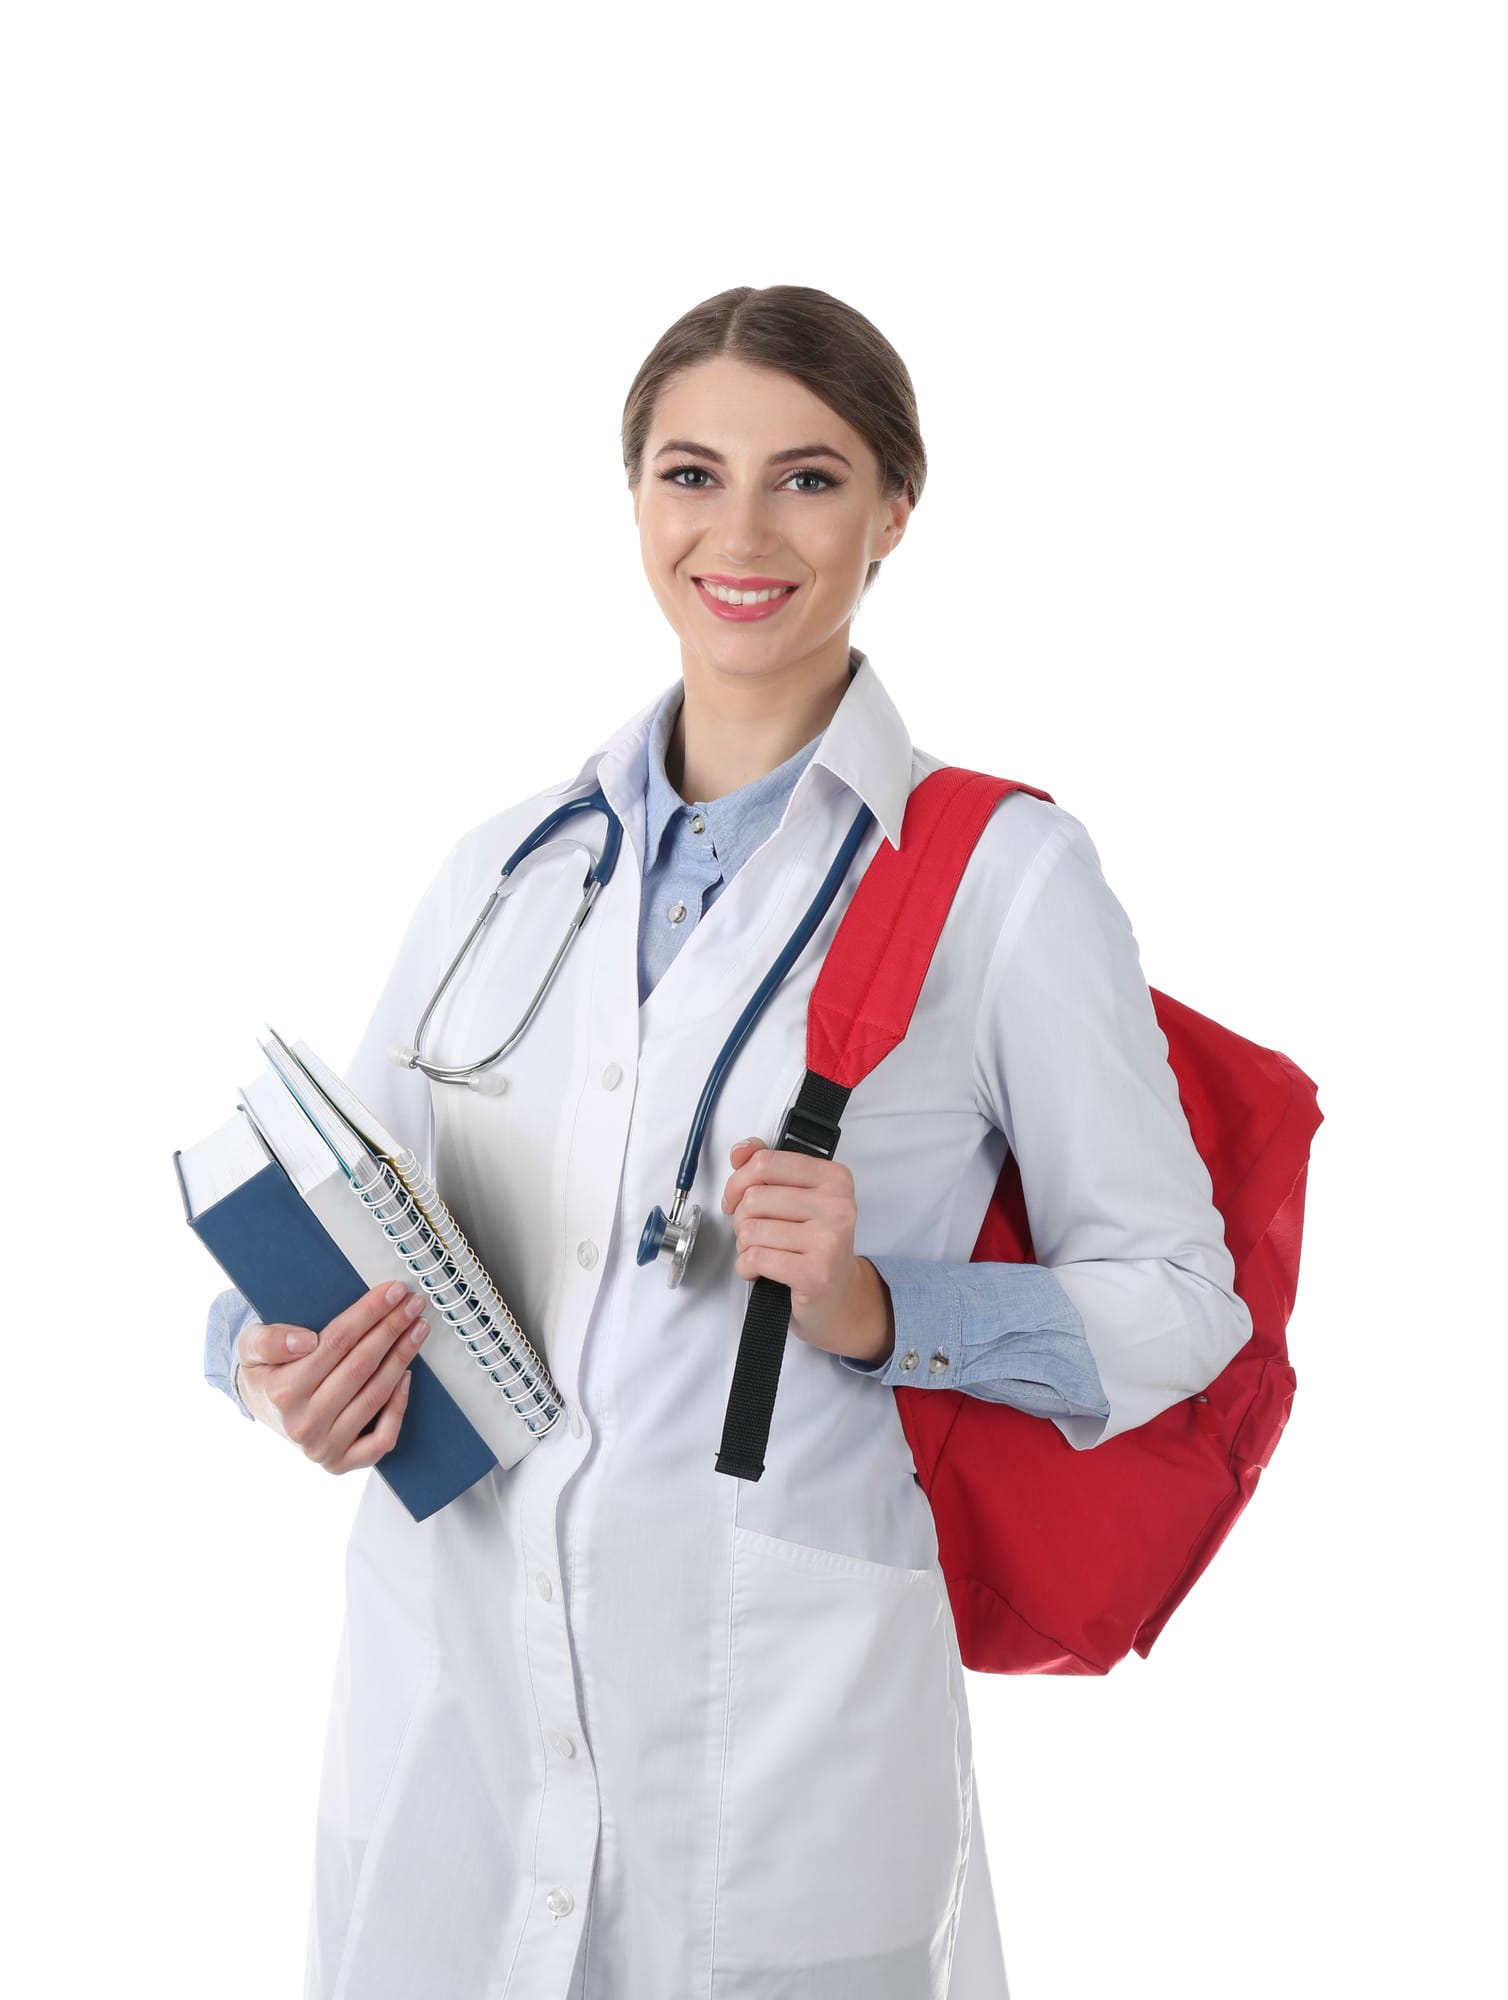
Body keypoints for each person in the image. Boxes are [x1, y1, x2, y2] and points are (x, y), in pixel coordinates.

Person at [204, 284, 1252, 2000]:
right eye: (692, 474)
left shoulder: (1000, 880)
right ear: (636, 502)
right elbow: (340, 1211)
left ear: (897, 510)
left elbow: (1179, 1301)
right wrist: (275, 1373)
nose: (741, 532)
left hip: (775, 1738)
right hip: (451, 1700)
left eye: (810, 479)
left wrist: (884, 1310)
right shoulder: (505, 868)